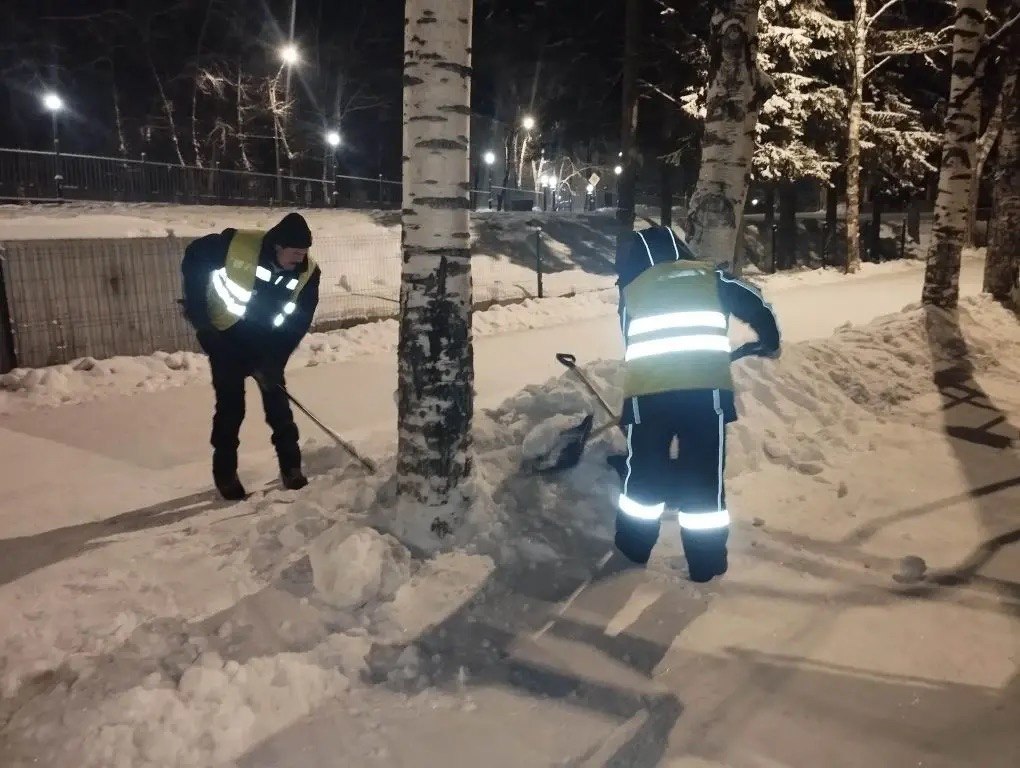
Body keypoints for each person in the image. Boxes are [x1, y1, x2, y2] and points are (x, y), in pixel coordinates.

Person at [613, 225, 781, 582]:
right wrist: (769, 339)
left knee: (643, 474)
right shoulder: (711, 278)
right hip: (705, 396)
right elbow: (755, 304)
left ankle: (633, 547)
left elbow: (631, 341)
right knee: (704, 478)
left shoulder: (633, 291)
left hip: (648, 396)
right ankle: (705, 564)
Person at [181, 212, 321, 500]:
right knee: (231, 409)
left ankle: (292, 469)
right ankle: (226, 476)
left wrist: (276, 359)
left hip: (267, 344)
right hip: (226, 339)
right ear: (277, 246)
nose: (300, 259)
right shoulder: (234, 247)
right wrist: (201, 320)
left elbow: (299, 321)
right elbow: (194, 257)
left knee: (279, 408)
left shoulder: (308, 273)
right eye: (294, 252)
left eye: (304, 252)